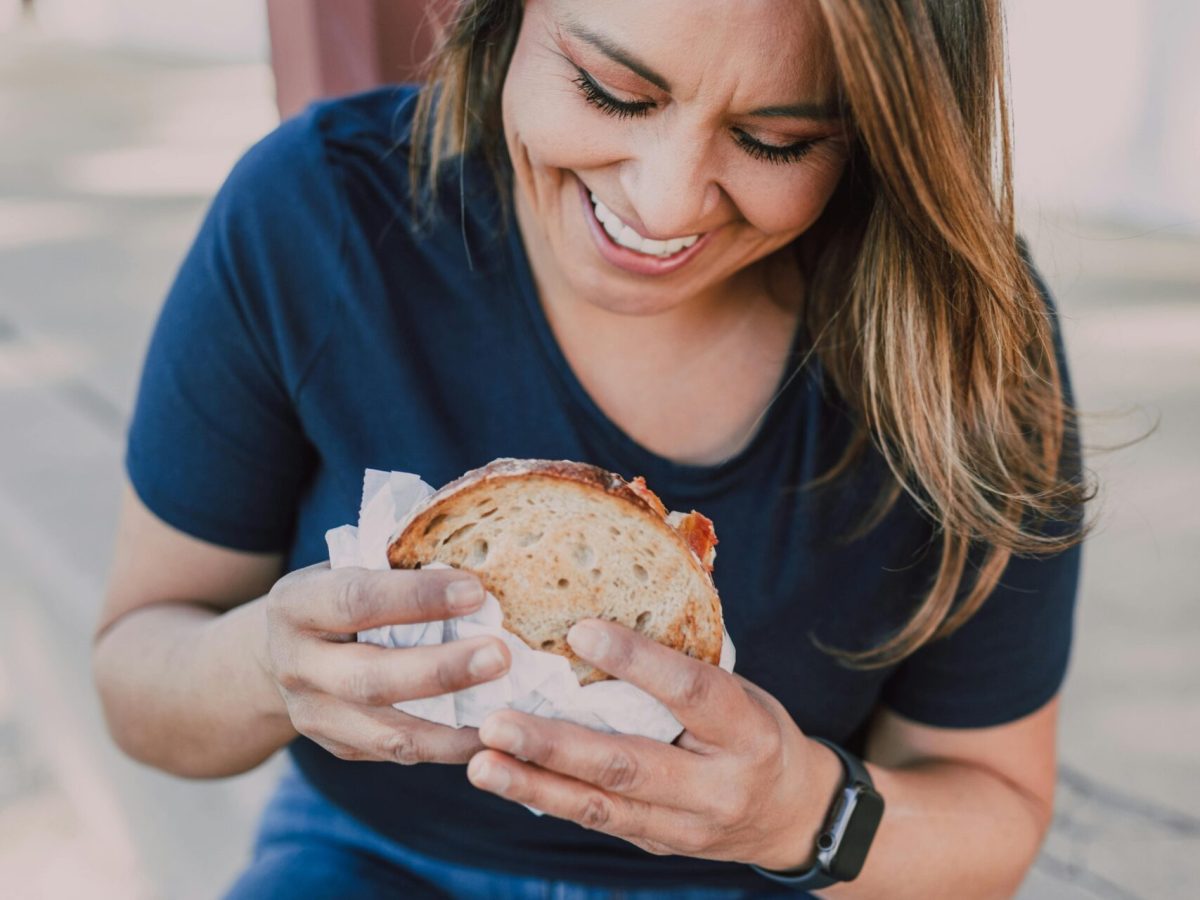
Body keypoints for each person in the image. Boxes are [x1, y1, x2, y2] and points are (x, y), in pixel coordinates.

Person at [93, 0, 1090, 897]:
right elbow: (140, 680)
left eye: (777, 143)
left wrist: (797, 814)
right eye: (611, 91)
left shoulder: (961, 345)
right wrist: (267, 665)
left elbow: (992, 808)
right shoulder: (316, 214)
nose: (665, 203)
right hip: (369, 856)